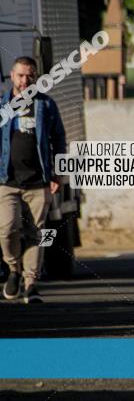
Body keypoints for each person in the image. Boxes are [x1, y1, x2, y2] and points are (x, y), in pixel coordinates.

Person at [0, 56, 66, 303]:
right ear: (12, 75)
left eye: (30, 75)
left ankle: (31, 284)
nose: (25, 80)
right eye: (20, 75)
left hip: (38, 181)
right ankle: (13, 269)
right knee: (6, 230)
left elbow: (58, 139)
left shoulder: (46, 105)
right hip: (6, 181)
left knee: (36, 234)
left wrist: (58, 173)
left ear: (36, 78)